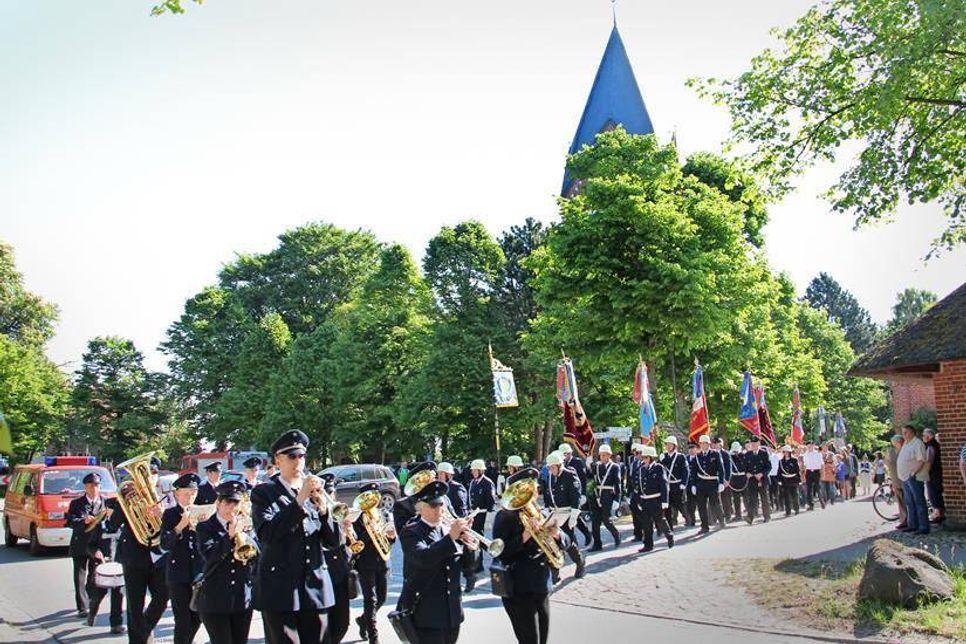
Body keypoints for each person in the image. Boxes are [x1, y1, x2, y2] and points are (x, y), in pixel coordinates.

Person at [251, 430, 339, 644]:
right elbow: (267, 534)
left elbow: (333, 541)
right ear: (278, 460)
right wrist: (299, 501)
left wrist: (325, 512)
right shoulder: (264, 492)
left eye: (301, 456)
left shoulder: (315, 491)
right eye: (292, 456)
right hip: (280, 587)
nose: (298, 461)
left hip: (315, 586)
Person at [492, 468, 568, 644]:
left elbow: (565, 539)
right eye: (529, 489)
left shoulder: (538, 511)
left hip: (541, 584)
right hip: (518, 588)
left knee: (542, 639)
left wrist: (557, 535)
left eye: (533, 489)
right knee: (529, 640)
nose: (534, 493)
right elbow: (499, 552)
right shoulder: (505, 516)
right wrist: (525, 536)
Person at [397, 481, 471, 644]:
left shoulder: (447, 530)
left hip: (452, 611)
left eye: (441, 504)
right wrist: (451, 537)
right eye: (433, 505)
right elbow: (423, 558)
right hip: (427, 613)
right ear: (420, 508)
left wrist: (471, 549)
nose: (439, 509)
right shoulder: (411, 532)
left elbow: (466, 567)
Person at [113, 455, 169, 644]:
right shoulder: (129, 498)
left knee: (162, 597)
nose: (150, 478)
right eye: (147, 474)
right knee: (135, 605)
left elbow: (173, 527)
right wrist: (124, 505)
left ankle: (144, 629)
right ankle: (138, 640)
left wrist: (162, 514)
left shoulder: (165, 498)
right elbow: (113, 525)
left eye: (153, 473)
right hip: (134, 557)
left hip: (159, 557)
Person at [195, 480, 259, 644]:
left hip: (241, 596)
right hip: (215, 598)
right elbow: (209, 556)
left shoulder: (246, 525)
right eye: (228, 503)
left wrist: (246, 537)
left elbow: (257, 556)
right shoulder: (205, 527)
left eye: (236, 503)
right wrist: (229, 537)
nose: (232, 508)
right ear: (218, 503)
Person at [160, 473, 204, 644]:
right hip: (178, 574)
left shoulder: (202, 513)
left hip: (199, 573)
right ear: (177, 494)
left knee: (198, 617)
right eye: (186, 493)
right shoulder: (170, 514)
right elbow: (164, 544)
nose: (190, 497)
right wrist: (180, 526)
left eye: (193, 493)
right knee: (182, 620)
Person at [352, 482, 397, 644]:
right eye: (369, 496)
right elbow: (355, 543)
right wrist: (367, 531)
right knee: (370, 600)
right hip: (366, 563)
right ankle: (373, 636)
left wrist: (392, 537)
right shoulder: (357, 518)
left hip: (383, 561)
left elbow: (389, 540)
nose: (374, 500)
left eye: (375, 496)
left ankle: (363, 620)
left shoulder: (383, 513)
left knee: (382, 598)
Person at [67, 472, 108, 620]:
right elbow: (70, 521)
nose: (94, 488)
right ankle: (82, 607)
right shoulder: (76, 503)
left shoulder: (105, 502)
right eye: (91, 486)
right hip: (80, 542)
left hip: (97, 545)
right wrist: (83, 520)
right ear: (85, 487)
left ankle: (91, 598)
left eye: (96, 485)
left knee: (94, 575)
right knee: (79, 575)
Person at [542, 451, 585, 581]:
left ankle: (580, 562)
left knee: (568, 543)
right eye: (549, 467)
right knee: (552, 543)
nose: (551, 469)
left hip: (567, 514)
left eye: (553, 467)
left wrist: (574, 516)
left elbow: (576, 496)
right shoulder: (550, 476)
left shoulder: (569, 475)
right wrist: (546, 508)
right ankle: (555, 574)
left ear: (560, 465)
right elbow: (548, 494)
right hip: (554, 513)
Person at [85, 495, 125, 634]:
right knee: (99, 594)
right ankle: (92, 612)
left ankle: (116, 623)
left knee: (118, 594)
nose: (114, 512)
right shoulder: (101, 526)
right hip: (103, 565)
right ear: (106, 510)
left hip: (119, 565)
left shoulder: (124, 525)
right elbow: (90, 545)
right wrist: (96, 552)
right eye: (111, 509)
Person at [319, 473, 351, 644]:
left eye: (332, 494)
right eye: (327, 493)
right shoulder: (317, 515)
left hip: (340, 575)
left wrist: (347, 536)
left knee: (342, 624)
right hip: (324, 575)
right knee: (324, 628)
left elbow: (351, 553)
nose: (331, 497)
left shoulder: (340, 514)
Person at [437, 462, 475, 592]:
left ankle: (470, 576)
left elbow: (461, 509)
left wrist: (459, 523)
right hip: (447, 527)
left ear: (448, 474)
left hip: (456, 525)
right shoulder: (440, 489)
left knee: (465, 549)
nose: (439, 476)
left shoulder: (457, 488)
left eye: (441, 473)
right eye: (439, 473)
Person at [634, 446, 673, 553]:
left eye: (646, 457)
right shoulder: (641, 469)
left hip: (656, 500)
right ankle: (648, 545)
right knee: (646, 524)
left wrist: (665, 501)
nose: (644, 459)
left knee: (660, 521)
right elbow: (638, 486)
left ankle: (669, 536)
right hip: (645, 500)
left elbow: (664, 485)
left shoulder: (659, 468)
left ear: (651, 457)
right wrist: (639, 500)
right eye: (643, 457)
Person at [897, 425, 930, 535]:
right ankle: (912, 525)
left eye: (905, 432)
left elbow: (921, 460)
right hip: (905, 478)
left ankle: (923, 526)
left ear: (911, 432)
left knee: (919, 501)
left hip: (914, 477)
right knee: (910, 502)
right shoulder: (906, 443)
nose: (903, 435)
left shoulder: (917, 443)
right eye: (903, 432)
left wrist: (913, 473)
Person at [589, 444, 622, 550]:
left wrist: (617, 499)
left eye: (604, 455)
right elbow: (590, 478)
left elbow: (618, 483)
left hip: (608, 495)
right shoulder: (597, 466)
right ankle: (597, 544)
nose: (602, 457)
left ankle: (616, 535)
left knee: (606, 520)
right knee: (595, 521)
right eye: (601, 455)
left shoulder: (615, 467)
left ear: (609, 455)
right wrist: (588, 465)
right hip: (597, 495)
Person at [558, 444, 593, 545]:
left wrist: (582, 494)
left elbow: (583, 479)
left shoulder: (577, 462)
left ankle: (583, 535)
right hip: (566, 495)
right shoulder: (561, 463)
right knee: (573, 518)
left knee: (575, 516)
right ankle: (580, 538)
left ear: (570, 453)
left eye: (566, 454)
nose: (565, 456)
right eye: (563, 454)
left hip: (576, 493)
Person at [467, 458, 496, 574]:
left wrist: (489, 517)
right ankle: (479, 563)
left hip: (483, 514)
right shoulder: (473, 482)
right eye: (472, 470)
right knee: (477, 539)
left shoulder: (487, 483)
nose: (473, 472)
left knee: (480, 539)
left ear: (480, 471)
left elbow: (491, 502)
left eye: (475, 470)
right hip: (474, 514)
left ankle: (493, 553)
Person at [691, 435, 725, 533]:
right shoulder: (697, 456)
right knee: (701, 506)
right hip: (701, 483)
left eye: (705, 443)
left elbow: (721, 469)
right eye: (701, 443)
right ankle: (704, 526)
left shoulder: (715, 454)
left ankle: (721, 521)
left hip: (712, 482)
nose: (703, 445)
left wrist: (721, 482)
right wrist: (693, 484)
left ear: (708, 444)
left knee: (715, 503)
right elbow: (693, 471)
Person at [393, 461, 437, 534]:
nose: (434, 482)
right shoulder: (402, 505)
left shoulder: (442, 499)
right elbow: (403, 533)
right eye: (427, 479)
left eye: (434, 478)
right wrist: (423, 513)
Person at [660, 436, 689, 528]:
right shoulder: (664, 456)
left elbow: (685, 471)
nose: (668, 446)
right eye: (667, 445)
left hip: (677, 483)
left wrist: (684, 483)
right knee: (668, 503)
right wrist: (661, 460)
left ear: (674, 446)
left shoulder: (680, 457)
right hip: (668, 484)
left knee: (679, 503)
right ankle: (671, 522)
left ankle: (688, 518)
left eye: (670, 445)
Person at [744, 436, 771, 524]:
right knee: (752, 499)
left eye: (755, 443)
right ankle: (750, 517)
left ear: (759, 443)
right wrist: (746, 473)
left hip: (762, 479)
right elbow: (745, 467)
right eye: (752, 443)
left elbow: (768, 466)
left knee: (764, 498)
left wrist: (762, 473)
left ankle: (767, 516)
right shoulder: (747, 454)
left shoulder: (764, 453)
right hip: (752, 480)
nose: (753, 445)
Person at [922, 429, 945, 523]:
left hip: (933, 474)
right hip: (936, 473)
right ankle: (939, 513)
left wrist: (925, 472)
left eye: (924, 435)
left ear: (928, 436)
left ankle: (938, 514)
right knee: (935, 493)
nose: (923, 437)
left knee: (933, 493)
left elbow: (929, 461)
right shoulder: (935, 444)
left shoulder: (931, 446)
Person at [886, 434, 907, 528]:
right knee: (900, 500)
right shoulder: (891, 451)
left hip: (904, 478)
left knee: (908, 499)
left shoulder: (905, 450)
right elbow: (887, 462)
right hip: (895, 478)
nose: (894, 444)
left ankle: (910, 519)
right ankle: (904, 520)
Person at [710, 437, 732, 523]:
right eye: (713, 444)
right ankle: (714, 518)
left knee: (725, 498)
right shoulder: (711, 453)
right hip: (714, 480)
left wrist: (727, 479)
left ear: (720, 444)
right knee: (714, 499)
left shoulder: (725, 454)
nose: (715, 445)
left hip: (723, 479)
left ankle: (727, 515)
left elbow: (728, 468)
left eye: (716, 444)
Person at [627, 443, 644, 540]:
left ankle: (646, 533)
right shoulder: (633, 464)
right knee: (635, 514)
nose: (637, 455)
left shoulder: (645, 463)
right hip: (634, 493)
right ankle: (638, 534)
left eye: (638, 453)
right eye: (635, 452)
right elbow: (630, 479)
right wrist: (629, 493)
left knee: (644, 515)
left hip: (643, 494)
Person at [778, 446, 801, 516]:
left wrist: (798, 480)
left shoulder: (794, 460)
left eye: (788, 452)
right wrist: (779, 480)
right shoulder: (781, 461)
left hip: (793, 479)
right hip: (785, 480)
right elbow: (779, 471)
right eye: (785, 452)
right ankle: (788, 511)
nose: (786, 453)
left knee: (795, 495)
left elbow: (797, 470)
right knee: (786, 496)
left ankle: (796, 509)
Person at [727, 442, 746, 521]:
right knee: (736, 498)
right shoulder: (730, 457)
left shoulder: (744, 456)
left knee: (746, 496)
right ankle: (738, 514)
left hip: (743, 477)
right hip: (734, 478)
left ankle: (750, 512)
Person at [802, 442, 823, 510]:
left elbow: (821, 464)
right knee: (809, 489)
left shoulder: (818, 453)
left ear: (813, 446)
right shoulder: (805, 454)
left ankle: (822, 502)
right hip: (809, 472)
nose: (809, 447)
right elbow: (805, 465)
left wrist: (822, 473)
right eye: (808, 446)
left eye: (811, 445)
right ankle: (811, 505)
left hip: (816, 471)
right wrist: (804, 473)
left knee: (818, 488)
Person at [684, 442, 699, 526]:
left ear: (696, 449)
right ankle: (691, 520)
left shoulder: (699, 457)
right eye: (690, 449)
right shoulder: (686, 458)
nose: (691, 450)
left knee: (700, 502)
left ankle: (705, 520)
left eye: (693, 448)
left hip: (698, 483)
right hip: (689, 483)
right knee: (690, 503)